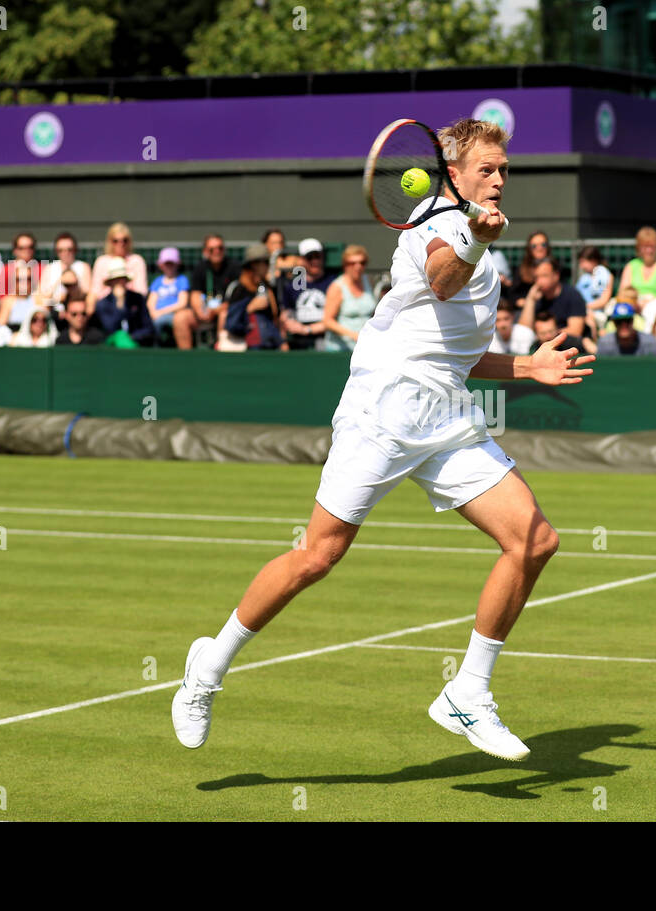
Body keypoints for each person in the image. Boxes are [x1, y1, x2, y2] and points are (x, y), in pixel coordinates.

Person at [171, 116, 595, 763]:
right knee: (316, 556)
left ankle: (468, 691)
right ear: (453, 172)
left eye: (505, 169)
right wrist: (477, 242)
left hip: (446, 412)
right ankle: (208, 666)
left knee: (534, 538)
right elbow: (444, 277)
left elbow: (455, 354)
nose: (501, 179)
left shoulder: (485, 234)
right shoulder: (434, 217)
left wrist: (528, 368)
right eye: (488, 168)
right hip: (384, 409)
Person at [176, 234, 238, 349]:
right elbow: (195, 294)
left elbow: (237, 298)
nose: (216, 251)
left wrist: (216, 310)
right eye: (212, 249)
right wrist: (200, 312)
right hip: (206, 311)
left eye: (220, 248)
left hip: (225, 311)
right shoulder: (200, 267)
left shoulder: (234, 267)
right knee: (180, 318)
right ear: (205, 251)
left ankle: (221, 354)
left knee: (225, 315)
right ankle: (185, 358)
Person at [279, 238, 335, 349]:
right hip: (298, 340)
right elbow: (287, 311)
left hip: (326, 339)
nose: (315, 261)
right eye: (310, 257)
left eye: (318, 256)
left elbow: (335, 318)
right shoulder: (293, 285)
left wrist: (307, 329)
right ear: (301, 260)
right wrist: (288, 322)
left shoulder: (333, 282)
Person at [520, 257, 585, 353]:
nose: (539, 281)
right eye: (536, 277)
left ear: (556, 275)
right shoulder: (536, 297)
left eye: (544, 276)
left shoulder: (572, 295)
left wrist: (548, 333)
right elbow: (523, 331)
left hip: (567, 348)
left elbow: (576, 331)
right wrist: (530, 300)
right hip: (541, 348)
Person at [322, 244, 376, 352]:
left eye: (362, 263)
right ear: (345, 265)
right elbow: (328, 321)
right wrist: (353, 335)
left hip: (364, 347)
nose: (358, 267)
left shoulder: (369, 281)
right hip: (339, 349)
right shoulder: (337, 287)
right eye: (352, 263)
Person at [96, 257, 157, 346]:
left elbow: (148, 327)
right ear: (111, 282)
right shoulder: (103, 303)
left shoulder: (138, 299)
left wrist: (132, 337)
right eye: (116, 280)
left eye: (122, 279)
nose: (120, 283)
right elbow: (110, 328)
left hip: (137, 344)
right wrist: (120, 303)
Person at [90, 222, 148, 302]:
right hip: (106, 305)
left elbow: (141, 291)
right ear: (109, 242)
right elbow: (95, 291)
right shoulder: (101, 261)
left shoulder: (137, 260)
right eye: (116, 241)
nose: (121, 244)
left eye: (125, 240)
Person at [617, 226, 656, 307]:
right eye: (645, 246)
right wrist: (637, 302)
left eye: (652, 246)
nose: (649, 250)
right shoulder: (631, 266)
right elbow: (623, 292)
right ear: (638, 247)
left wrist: (653, 301)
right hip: (634, 308)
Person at [38, 232, 91, 310]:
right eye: (61, 250)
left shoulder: (83, 267)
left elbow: (88, 296)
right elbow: (43, 301)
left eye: (69, 249)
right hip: (54, 313)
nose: (65, 253)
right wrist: (59, 283)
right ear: (56, 251)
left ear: (75, 250)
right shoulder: (49, 268)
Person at [147, 247, 190, 339]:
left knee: (161, 321)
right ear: (161, 265)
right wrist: (153, 313)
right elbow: (151, 302)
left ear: (177, 264)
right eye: (167, 264)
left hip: (174, 315)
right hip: (156, 315)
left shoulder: (182, 280)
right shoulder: (157, 281)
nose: (169, 267)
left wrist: (161, 312)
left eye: (172, 264)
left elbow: (182, 303)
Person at [574, 245, 614, 329]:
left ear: (593, 260)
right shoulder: (583, 278)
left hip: (599, 314)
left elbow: (603, 301)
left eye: (583, 262)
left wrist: (583, 307)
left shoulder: (607, 276)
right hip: (582, 311)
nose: (581, 266)